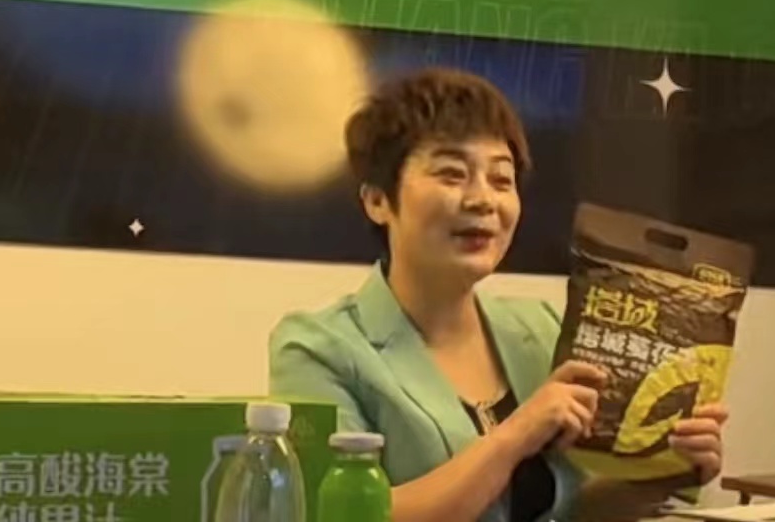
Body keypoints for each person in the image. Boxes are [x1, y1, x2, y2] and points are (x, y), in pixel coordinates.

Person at [268, 67, 729, 522]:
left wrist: (661, 476)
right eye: (452, 174)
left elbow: (568, 511)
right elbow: (342, 516)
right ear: (377, 201)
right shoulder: (317, 349)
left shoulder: (542, 329)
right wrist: (517, 434)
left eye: (501, 180)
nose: (483, 200)